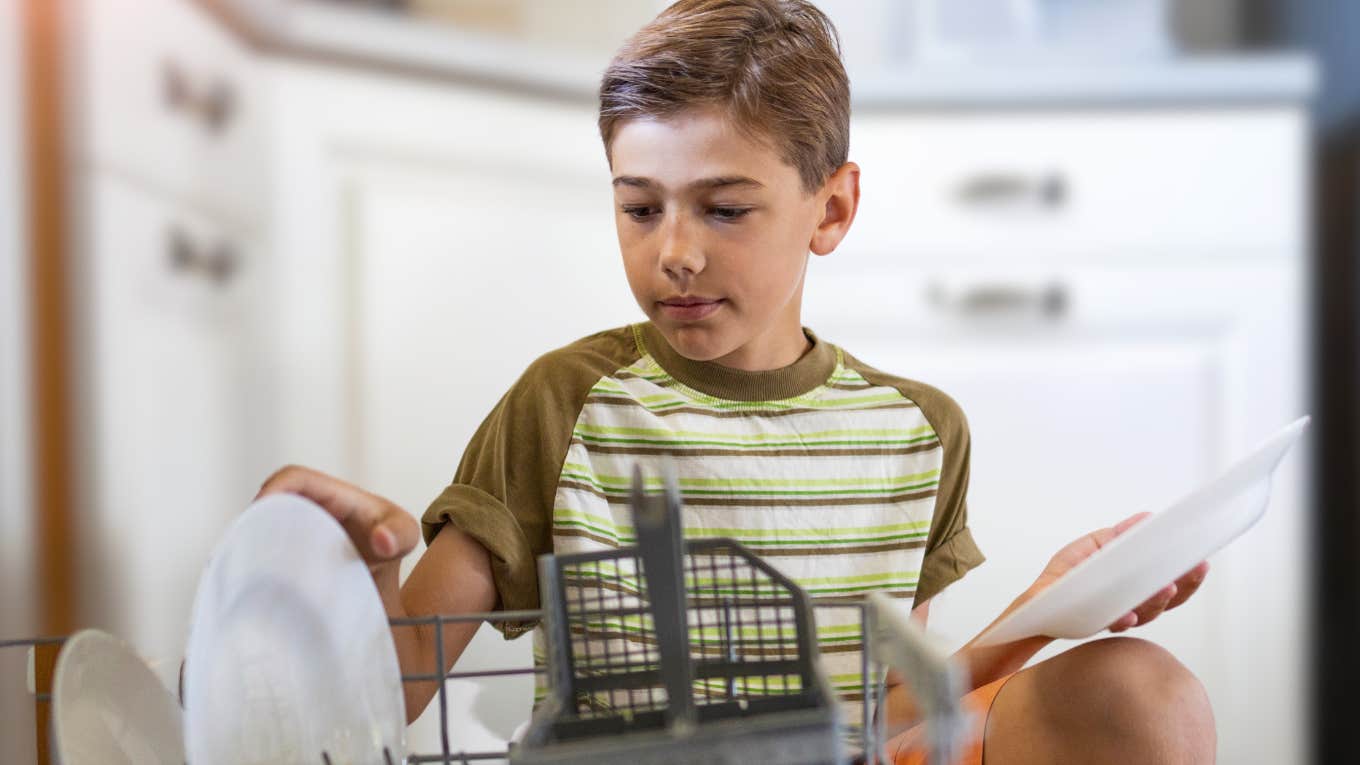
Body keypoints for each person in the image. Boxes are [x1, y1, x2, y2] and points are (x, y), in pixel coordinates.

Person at [257, 1, 1216, 762]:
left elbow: (876, 714)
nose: (673, 252)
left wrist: (1048, 604)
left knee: (1140, 692)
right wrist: (359, 580)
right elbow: (404, 682)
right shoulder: (564, 402)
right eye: (640, 208)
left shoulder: (917, 433)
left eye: (723, 209)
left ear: (831, 207)